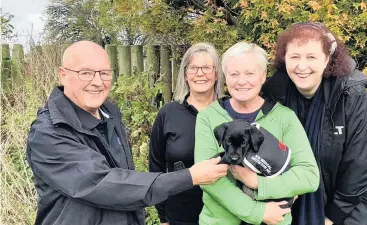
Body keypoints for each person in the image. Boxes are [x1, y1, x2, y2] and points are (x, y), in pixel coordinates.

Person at [26, 41, 228, 225]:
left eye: (104, 73)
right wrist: (190, 176)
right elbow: (109, 185)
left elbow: (128, 180)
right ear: (63, 74)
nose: (97, 82)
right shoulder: (49, 132)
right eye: (86, 73)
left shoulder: (110, 115)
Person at [261, 22, 367, 225]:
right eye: (295, 57)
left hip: (355, 207)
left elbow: (360, 162)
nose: (302, 66)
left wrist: (331, 217)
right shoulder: (276, 95)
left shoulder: (350, 94)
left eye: (311, 57)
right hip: (299, 205)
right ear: (285, 59)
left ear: (327, 60)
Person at [194, 42, 320, 225]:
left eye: (250, 73)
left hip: (275, 220)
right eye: (234, 74)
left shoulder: (285, 118)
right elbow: (206, 178)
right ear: (225, 77)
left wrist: (258, 183)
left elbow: (309, 177)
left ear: (263, 76)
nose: (241, 81)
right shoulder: (208, 117)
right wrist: (256, 212)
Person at [149, 43, 225, 225]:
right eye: (193, 68)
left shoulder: (229, 111)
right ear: (185, 74)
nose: (200, 73)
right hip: (179, 216)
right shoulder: (168, 114)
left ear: (216, 74)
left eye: (207, 67)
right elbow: (156, 167)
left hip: (225, 215)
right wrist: (163, 217)